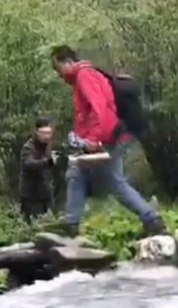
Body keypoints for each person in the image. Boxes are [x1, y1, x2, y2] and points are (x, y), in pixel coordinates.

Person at [51, 45, 167, 238]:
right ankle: (71, 225)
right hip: (107, 136)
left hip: (110, 137)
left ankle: (152, 218)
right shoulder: (86, 76)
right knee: (77, 173)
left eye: (58, 68)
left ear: (68, 62)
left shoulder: (85, 76)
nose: (58, 75)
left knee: (113, 181)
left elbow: (101, 111)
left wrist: (92, 141)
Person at [19, 117, 57, 222]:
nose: (46, 136)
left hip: (47, 195)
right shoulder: (29, 147)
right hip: (31, 196)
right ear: (36, 132)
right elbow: (28, 163)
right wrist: (47, 162)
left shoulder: (50, 146)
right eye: (43, 133)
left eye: (49, 133)